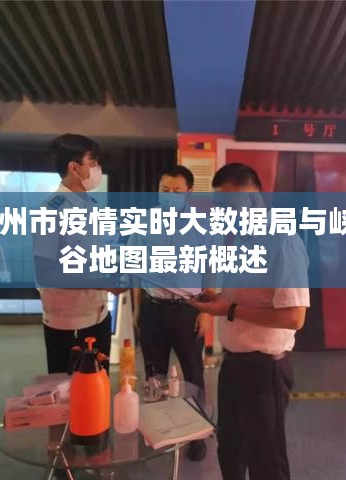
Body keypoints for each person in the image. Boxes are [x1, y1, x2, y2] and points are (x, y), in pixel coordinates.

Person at [189, 163, 310, 480]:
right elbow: (237, 296)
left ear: (254, 200)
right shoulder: (237, 239)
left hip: (265, 369)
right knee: (230, 449)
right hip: (234, 363)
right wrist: (212, 300)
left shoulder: (283, 242)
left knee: (266, 459)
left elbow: (294, 317)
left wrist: (229, 309)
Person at [131, 165, 213, 461]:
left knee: (193, 373)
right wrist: (138, 309)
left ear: (189, 192)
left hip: (188, 310)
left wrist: (207, 312)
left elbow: (210, 269)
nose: (169, 195)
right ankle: (159, 430)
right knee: (154, 375)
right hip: (152, 309)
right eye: (165, 190)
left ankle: (198, 435)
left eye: (176, 191)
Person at [33, 134, 124, 374]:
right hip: (68, 324)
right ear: (74, 167)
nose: (97, 168)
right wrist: (102, 281)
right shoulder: (51, 210)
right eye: (92, 162)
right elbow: (46, 274)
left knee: (99, 385)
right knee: (69, 391)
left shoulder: (92, 205)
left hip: (99, 316)